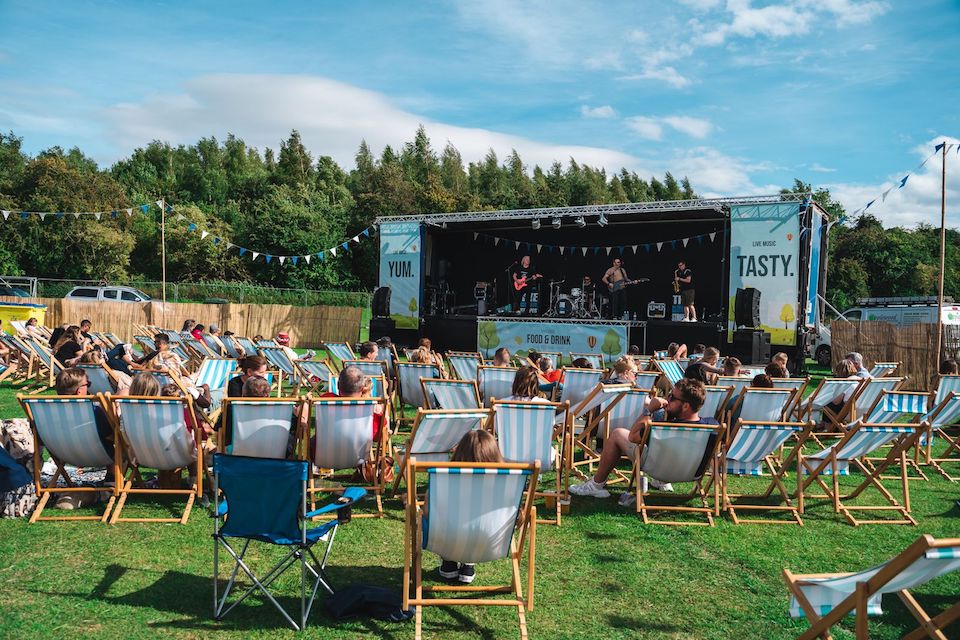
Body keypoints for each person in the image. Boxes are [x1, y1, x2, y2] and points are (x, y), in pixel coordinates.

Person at [570, 379, 719, 501]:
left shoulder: (661, 429)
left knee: (617, 434)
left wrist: (649, 410)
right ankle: (661, 484)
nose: (667, 399)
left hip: (658, 470)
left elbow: (632, 436)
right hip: (691, 474)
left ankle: (595, 485)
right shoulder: (713, 426)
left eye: (672, 397)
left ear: (686, 406)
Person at [437, 429, 504, 584]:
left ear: (459, 452)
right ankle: (468, 564)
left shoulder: (444, 478)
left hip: (448, 537)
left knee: (441, 518)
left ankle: (449, 562)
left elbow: (428, 511)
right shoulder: (505, 482)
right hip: (490, 538)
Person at [55, 368, 114, 464]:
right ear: (79, 391)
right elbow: (110, 436)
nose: (89, 387)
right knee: (120, 447)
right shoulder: (93, 411)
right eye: (88, 384)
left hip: (63, 455)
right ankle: (112, 475)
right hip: (98, 456)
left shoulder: (49, 412)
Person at [819, 360, 860, 428]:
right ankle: (824, 424)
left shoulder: (846, 382)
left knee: (828, 404)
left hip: (847, 409)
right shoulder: (859, 379)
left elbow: (836, 401)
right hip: (857, 407)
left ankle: (828, 426)